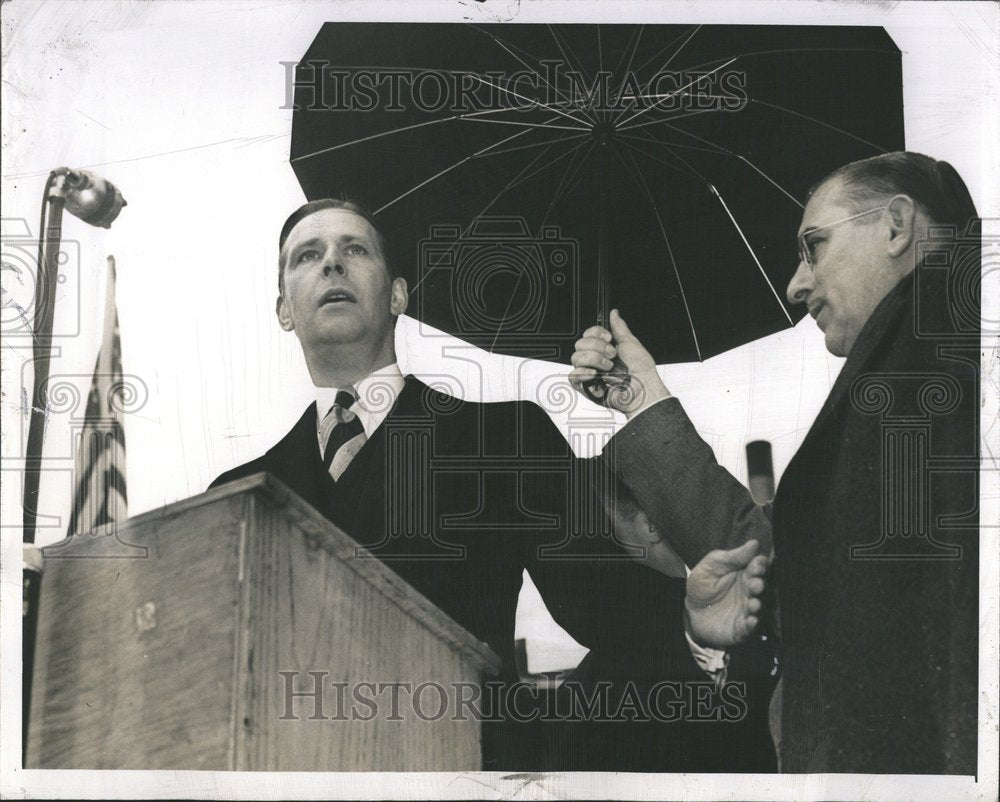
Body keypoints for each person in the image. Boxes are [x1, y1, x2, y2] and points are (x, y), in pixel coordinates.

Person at [210, 198, 776, 771]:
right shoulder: (239, 495)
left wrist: (690, 623)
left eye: (355, 249)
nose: (332, 263)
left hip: (451, 766)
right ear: (283, 309)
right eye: (308, 255)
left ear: (399, 295)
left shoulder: (501, 436)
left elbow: (605, 606)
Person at [570, 152, 980, 774]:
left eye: (813, 246)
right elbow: (832, 586)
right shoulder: (922, 360)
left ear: (896, 225)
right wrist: (642, 398)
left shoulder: (942, 364)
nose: (796, 285)